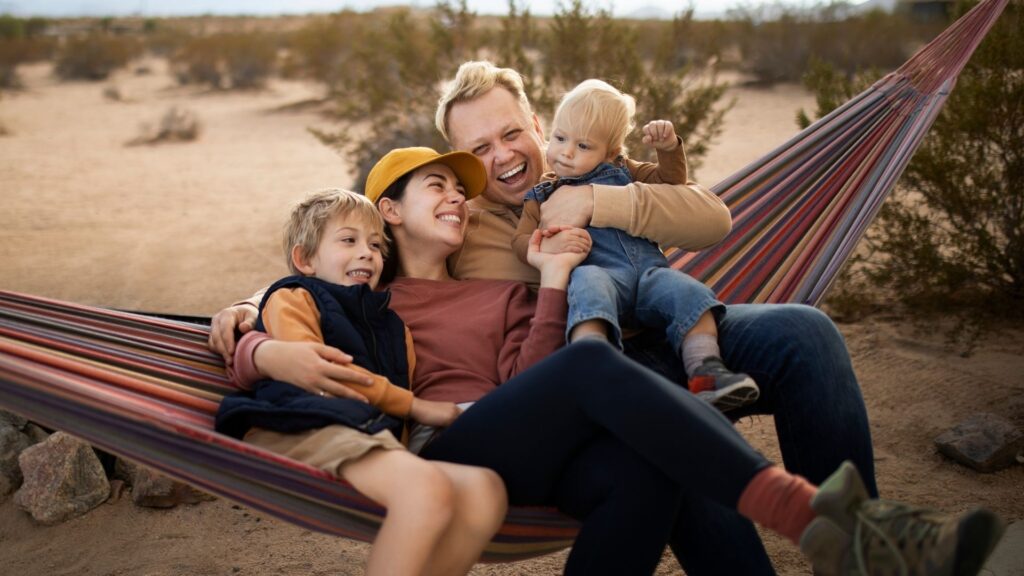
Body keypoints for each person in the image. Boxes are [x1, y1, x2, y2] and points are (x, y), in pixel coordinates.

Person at [230, 148, 1005, 576]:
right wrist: (249, 330)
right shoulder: (364, 292)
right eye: (438, 187)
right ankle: (823, 518)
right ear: (388, 212)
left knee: (645, 470)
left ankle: (846, 532)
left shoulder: (503, 289)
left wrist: (553, 281)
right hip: (446, 448)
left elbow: (532, 377)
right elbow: (287, 299)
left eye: (461, 193)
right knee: (591, 365)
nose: (458, 200)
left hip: (525, 438)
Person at [214, 188, 507, 576]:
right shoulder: (294, 297)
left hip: (364, 433)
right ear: (305, 259)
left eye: (375, 245)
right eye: (348, 241)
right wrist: (416, 407)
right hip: (301, 423)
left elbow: (398, 392)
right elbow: (321, 372)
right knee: (423, 489)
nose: (367, 253)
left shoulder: (391, 325)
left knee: (485, 489)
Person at [511, 78, 758, 411]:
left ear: (611, 152)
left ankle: (706, 370)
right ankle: (591, 365)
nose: (566, 152)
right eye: (559, 138)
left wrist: (668, 149)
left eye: (583, 146)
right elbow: (521, 239)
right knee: (586, 284)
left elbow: (671, 182)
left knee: (688, 291)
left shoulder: (625, 169)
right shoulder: (542, 192)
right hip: (603, 276)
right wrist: (545, 247)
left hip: (649, 276)